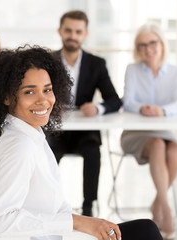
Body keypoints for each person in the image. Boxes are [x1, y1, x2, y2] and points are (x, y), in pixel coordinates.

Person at [0, 45, 162, 240]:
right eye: (29, 92)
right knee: (146, 232)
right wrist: (78, 222)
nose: (43, 100)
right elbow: (0, 222)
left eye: (47, 90)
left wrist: (83, 224)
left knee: (145, 229)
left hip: (59, 234)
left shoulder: (30, 134)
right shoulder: (20, 146)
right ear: (7, 97)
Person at [47, 10, 122, 217]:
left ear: (85, 34)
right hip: (56, 130)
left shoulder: (96, 64)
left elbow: (115, 100)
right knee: (46, 151)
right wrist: (49, 104)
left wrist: (98, 108)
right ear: (60, 31)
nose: (73, 35)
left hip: (84, 132)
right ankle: (48, 204)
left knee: (93, 151)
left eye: (78, 31)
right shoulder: (47, 62)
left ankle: (88, 207)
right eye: (68, 30)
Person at [121, 23, 177, 239]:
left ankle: (158, 202)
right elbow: (127, 101)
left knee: (176, 148)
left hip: (164, 131)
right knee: (158, 145)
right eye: (142, 45)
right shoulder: (132, 70)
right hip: (136, 133)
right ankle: (166, 210)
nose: (147, 49)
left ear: (161, 44)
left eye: (152, 43)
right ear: (137, 49)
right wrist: (142, 108)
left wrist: (161, 110)